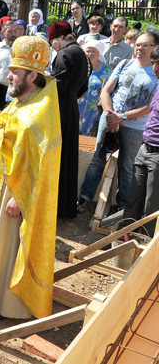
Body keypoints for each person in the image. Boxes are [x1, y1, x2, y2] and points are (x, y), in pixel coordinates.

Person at [0, 35, 61, 320]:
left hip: (13, 195)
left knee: (6, 247)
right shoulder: (20, 102)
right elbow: (4, 136)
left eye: (15, 72)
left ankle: (2, 303)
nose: (8, 75)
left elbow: (41, 166)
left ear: (32, 75)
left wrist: (20, 200)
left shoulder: (40, 113)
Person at [77, 31, 159, 213]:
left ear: (154, 48)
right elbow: (106, 91)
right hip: (110, 120)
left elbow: (150, 106)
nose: (140, 48)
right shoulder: (124, 64)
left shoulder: (155, 72)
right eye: (137, 44)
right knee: (98, 159)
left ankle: (123, 207)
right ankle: (84, 197)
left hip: (135, 128)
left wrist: (121, 117)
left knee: (128, 167)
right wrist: (110, 115)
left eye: (145, 45)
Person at [48, 21, 90, 220]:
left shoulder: (64, 55)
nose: (52, 46)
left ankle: (55, 206)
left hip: (60, 110)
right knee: (68, 157)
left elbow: (58, 86)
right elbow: (84, 87)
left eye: (52, 41)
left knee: (58, 157)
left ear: (60, 37)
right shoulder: (80, 53)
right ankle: (66, 207)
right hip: (72, 108)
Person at [122, 47, 159, 235]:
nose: (155, 69)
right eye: (154, 64)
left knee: (151, 207)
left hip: (158, 155)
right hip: (145, 149)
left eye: (158, 64)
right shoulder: (158, 85)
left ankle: (144, 248)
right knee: (133, 198)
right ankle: (124, 240)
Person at [79, 40, 112, 136]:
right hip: (78, 106)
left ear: (99, 53)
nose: (90, 54)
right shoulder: (79, 66)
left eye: (94, 51)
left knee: (90, 137)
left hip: (94, 110)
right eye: (88, 51)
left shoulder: (107, 70)